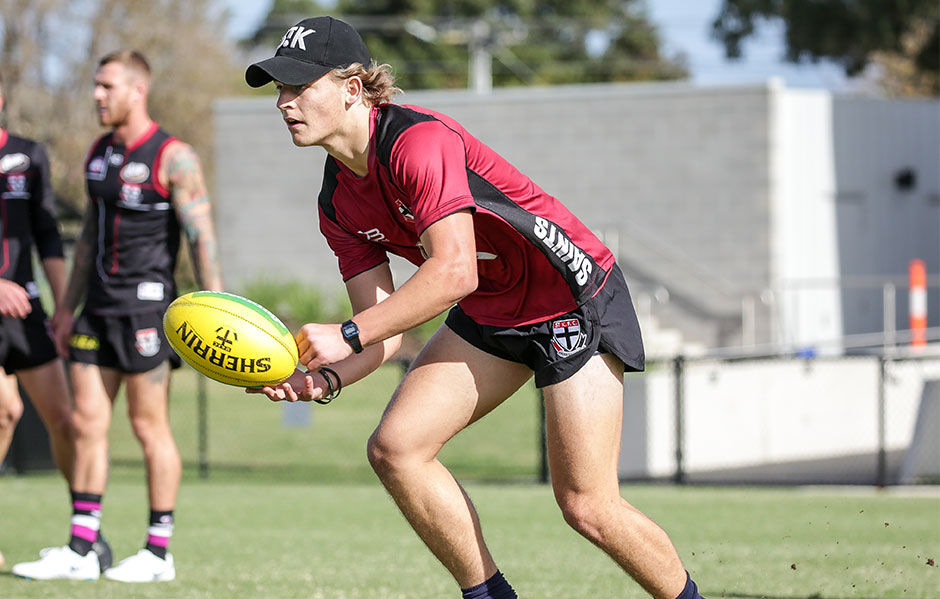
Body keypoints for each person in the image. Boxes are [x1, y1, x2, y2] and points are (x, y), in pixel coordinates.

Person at [244, 16, 706, 599]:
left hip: (571, 296)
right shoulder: (336, 200)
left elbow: (453, 271)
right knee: (397, 449)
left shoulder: (418, 141)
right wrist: (322, 378)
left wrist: (349, 332)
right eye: (279, 90)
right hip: (492, 307)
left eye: (298, 86)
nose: (283, 103)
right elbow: (385, 330)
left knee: (587, 506)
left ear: (351, 89)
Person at [13, 49, 223, 583]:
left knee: (149, 427)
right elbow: (86, 239)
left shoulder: (174, 157)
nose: (96, 95)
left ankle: (157, 552)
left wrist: (218, 304)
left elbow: (201, 235)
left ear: (137, 91)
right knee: (85, 424)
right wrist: (65, 307)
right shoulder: (97, 153)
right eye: (95, 85)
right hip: (95, 312)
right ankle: (83, 548)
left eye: (106, 86)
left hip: (148, 311)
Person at [0, 77, 114, 576]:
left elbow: (48, 235)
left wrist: (64, 307)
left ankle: (85, 536)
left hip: (26, 313)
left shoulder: (29, 156)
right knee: (4, 410)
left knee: (66, 421)